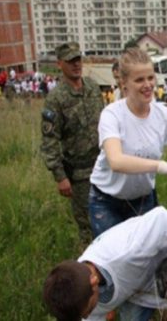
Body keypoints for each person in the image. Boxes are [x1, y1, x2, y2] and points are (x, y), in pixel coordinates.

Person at [88, 48, 167, 237]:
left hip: (143, 201)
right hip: (106, 202)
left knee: (146, 259)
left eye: (150, 78)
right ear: (124, 84)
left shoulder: (163, 115)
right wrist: (162, 167)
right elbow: (117, 161)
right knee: (115, 260)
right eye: (139, 80)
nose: (147, 85)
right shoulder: (112, 115)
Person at [42, 207, 167, 321]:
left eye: (88, 310)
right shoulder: (77, 288)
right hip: (134, 292)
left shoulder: (129, 251)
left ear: (94, 283)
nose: (86, 316)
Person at [40, 42, 105, 245]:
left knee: (109, 217)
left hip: (104, 165)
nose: (76, 65)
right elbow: (49, 140)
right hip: (79, 174)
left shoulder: (93, 88)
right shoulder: (56, 99)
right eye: (70, 61)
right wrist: (60, 176)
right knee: (88, 224)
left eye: (78, 60)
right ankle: (89, 270)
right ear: (60, 64)